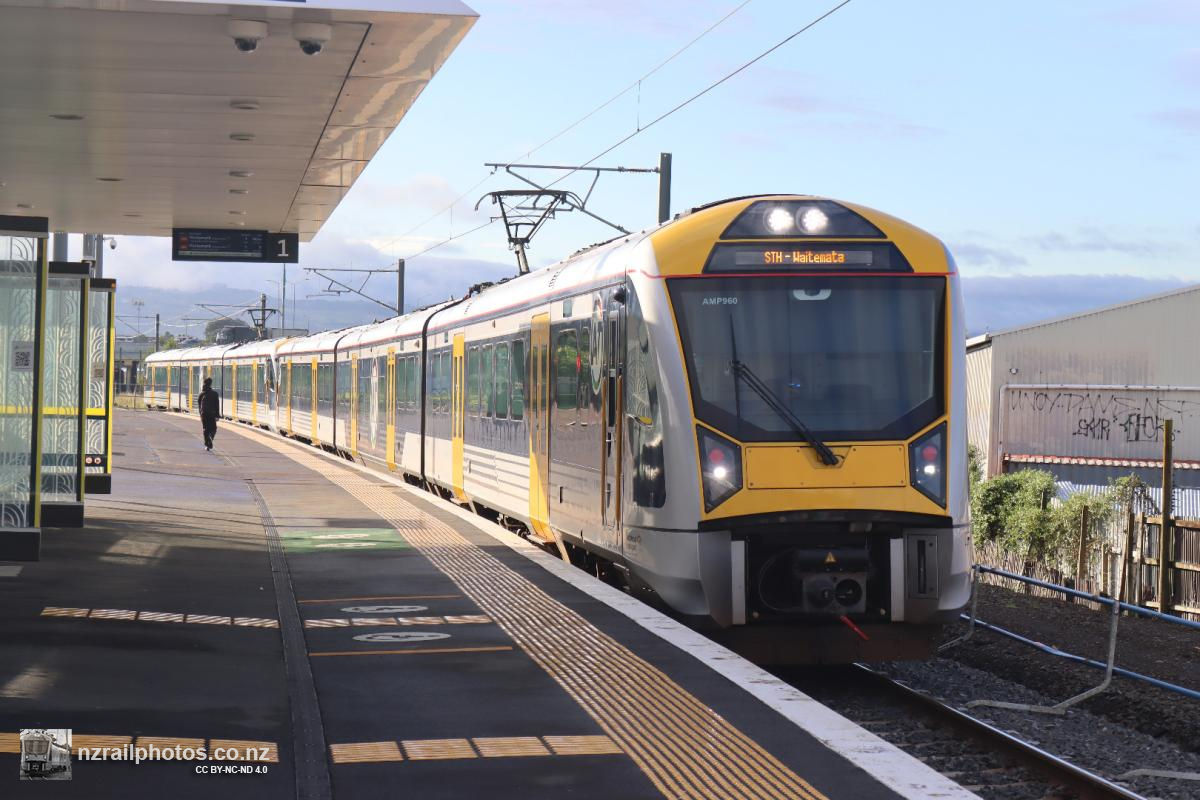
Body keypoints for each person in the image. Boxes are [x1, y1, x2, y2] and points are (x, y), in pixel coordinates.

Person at [198, 377, 220, 451]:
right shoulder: (215, 394)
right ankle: (210, 438)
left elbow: (199, 405)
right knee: (213, 428)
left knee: (205, 429)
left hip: (204, 414)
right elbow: (217, 405)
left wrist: (201, 415)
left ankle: (207, 444)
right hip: (212, 414)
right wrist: (217, 415)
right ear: (210, 384)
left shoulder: (201, 394)